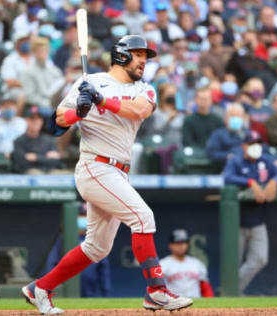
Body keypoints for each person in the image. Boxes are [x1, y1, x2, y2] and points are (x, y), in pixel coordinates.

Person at [22, 35, 193, 314]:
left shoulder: (145, 89)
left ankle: (39, 288)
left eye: (146, 56)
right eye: (138, 54)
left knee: (97, 248)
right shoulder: (90, 82)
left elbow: (138, 111)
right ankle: (157, 291)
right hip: (95, 165)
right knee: (142, 217)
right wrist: (80, 110)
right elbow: (55, 125)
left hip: (119, 171)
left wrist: (103, 100)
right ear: (122, 55)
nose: (143, 61)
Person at [223, 131, 277, 294]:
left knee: (260, 258)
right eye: (251, 143)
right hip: (236, 221)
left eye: (258, 143)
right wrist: (250, 182)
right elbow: (227, 177)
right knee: (233, 262)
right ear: (243, 146)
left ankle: (233, 291)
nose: (255, 147)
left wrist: (274, 181)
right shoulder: (236, 161)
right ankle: (231, 293)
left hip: (258, 220)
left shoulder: (266, 161)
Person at [160, 229, 214, 298]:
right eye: (177, 243)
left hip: (196, 303)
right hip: (174, 303)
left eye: (184, 243)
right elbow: (158, 289)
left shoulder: (197, 263)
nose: (181, 246)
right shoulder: (163, 264)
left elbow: (205, 288)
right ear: (170, 245)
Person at [12, 106, 62, 174]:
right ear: (26, 120)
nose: (36, 121)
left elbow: (56, 161)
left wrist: (36, 157)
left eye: (39, 118)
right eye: (32, 118)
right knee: (35, 173)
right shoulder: (19, 141)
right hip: (29, 174)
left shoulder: (49, 139)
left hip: (50, 171)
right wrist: (46, 157)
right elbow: (22, 163)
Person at [21, 37, 65, 113]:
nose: (43, 53)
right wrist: (47, 103)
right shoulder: (27, 71)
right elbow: (29, 96)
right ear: (33, 53)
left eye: (45, 51)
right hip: (39, 106)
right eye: (40, 51)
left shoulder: (55, 70)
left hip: (57, 104)